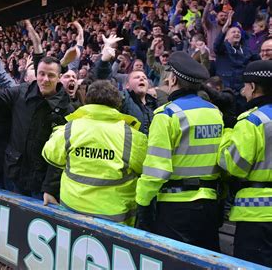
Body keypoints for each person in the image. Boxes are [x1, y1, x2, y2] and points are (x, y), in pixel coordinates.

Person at [0, 49, 74, 199]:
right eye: (42, 74)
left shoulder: (66, 109)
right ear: (37, 74)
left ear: (59, 77)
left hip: (41, 184)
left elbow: (61, 152)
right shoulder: (20, 92)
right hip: (14, 175)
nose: (45, 79)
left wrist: (50, 188)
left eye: (51, 75)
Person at [135, 51, 224, 251]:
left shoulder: (166, 115)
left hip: (176, 208)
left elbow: (156, 169)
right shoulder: (214, 112)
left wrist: (142, 202)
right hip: (209, 204)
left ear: (173, 79)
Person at [42, 80, 147, 225]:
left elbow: (50, 155)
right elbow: (146, 169)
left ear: (87, 100)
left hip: (72, 213)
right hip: (116, 223)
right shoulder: (133, 136)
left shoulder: (69, 129)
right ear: (118, 103)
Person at [218, 60, 272, 267]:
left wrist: (228, 133)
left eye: (245, 86)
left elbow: (233, 165)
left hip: (257, 214)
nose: (242, 92)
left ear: (254, 87)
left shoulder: (252, 121)